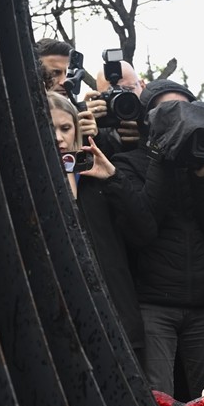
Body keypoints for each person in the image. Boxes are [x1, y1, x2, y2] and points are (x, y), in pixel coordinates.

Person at [115, 80, 204, 399]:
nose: (179, 118)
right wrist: (160, 160)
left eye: (185, 109)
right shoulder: (128, 163)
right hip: (153, 304)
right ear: (147, 118)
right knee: (158, 402)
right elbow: (143, 227)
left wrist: (203, 180)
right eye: (167, 111)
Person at [46, 92, 152, 357]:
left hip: (115, 318)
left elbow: (144, 232)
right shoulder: (29, 183)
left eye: (66, 128)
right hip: (60, 321)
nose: (59, 138)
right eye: (50, 128)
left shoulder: (98, 179)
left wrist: (113, 178)